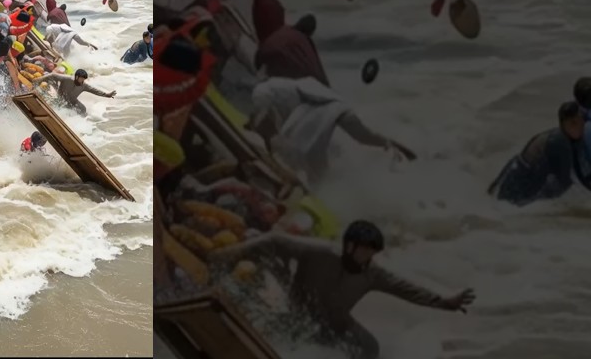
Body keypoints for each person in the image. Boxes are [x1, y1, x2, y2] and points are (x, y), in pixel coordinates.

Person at [209, 220, 475, 359]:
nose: (368, 258)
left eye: (373, 253)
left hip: (336, 325)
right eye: (365, 251)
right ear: (349, 245)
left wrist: (445, 302)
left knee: (370, 348)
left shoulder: (373, 274)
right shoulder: (321, 253)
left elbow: (407, 289)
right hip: (299, 315)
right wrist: (225, 256)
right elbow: (275, 240)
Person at [250, 76, 415, 183]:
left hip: (328, 111)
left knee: (306, 152)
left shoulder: (265, 93)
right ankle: (396, 147)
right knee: (364, 137)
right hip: (335, 108)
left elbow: (271, 122)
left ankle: (324, 186)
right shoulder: (278, 90)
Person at [488, 102, 589, 206]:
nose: (579, 126)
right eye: (573, 123)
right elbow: (564, 181)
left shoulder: (573, 138)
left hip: (517, 174)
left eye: (580, 120)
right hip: (519, 183)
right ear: (563, 125)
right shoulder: (559, 142)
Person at [256, 13, 330, 86]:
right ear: (310, 32)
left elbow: (264, 48)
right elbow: (314, 66)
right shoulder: (303, 39)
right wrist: (325, 85)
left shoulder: (283, 29)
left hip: (262, 58)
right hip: (281, 70)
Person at [37, 68, 116, 116]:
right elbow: (52, 75)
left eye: (84, 79)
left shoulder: (83, 85)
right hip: (61, 100)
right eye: (82, 79)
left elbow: (94, 90)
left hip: (73, 102)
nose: (83, 81)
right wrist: (39, 80)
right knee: (55, 106)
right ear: (77, 77)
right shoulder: (67, 79)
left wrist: (107, 95)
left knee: (83, 109)